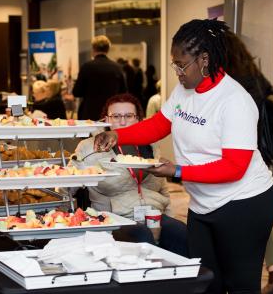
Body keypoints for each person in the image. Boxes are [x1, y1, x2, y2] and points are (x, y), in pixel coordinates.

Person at [94, 19, 273, 294]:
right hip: (203, 203)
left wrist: (177, 171)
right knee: (205, 281)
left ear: (205, 59)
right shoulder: (184, 90)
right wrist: (120, 135)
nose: (177, 71)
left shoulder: (234, 101)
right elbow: (159, 124)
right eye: (174, 64)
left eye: (182, 64)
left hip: (244, 203)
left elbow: (234, 167)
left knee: (239, 284)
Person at [72, 93, 188, 256]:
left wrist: (169, 216)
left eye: (128, 116)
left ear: (139, 119)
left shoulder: (151, 144)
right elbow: (69, 183)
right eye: (116, 116)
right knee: (142, 236)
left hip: (152, 213)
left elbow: (162, 189)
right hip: (114, 217)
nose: (122, 121)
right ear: (106, 120)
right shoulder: (89, 147)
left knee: (182, 233)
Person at [224, 31, 273, 294]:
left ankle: (270, 272)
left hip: (242, 154)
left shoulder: (232, 83)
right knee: (257, 216)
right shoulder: (256, 76)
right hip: (261, 153)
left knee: (240, 215)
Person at [73, 35, 126, 120]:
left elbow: (77, 92)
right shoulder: (117, 68)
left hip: (89, 113)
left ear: (93, 49)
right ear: (108, 49)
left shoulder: (86, 67)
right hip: (110, 113)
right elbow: (123, 92)